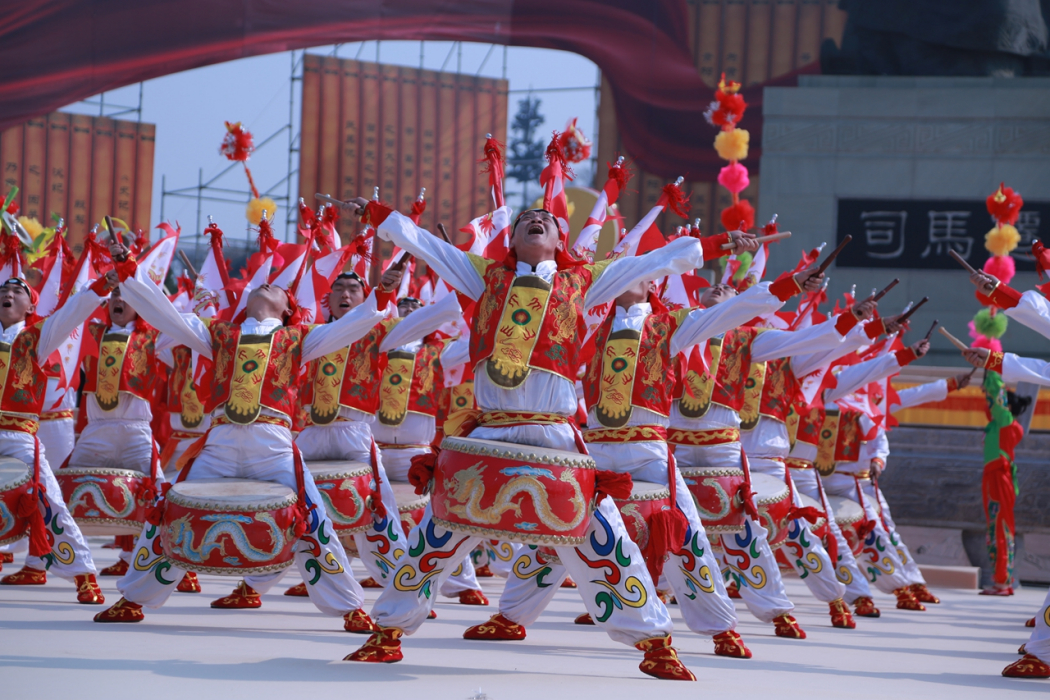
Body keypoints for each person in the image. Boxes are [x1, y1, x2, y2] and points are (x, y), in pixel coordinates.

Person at [341, 199, 743, 679]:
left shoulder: (584, 281)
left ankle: (654, 641)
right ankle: (388, 631)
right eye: (526, 218)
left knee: (602, 537)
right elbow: (423, 242)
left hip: (554, 432)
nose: (537, 219)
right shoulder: (485, 276)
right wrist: (377, 213)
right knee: (437, 531)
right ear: (511, 239)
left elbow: (655, 260)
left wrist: (718, 243)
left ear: (560, 239)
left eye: (548, 219)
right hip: (490, 430)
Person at [92, 241, 385, 628]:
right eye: (261, 284)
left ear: (286, 310)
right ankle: (133, 598)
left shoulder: (298, 338)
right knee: (171, 513)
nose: (265, 286)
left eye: (277, 287)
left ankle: (350, 607)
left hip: (273, 445)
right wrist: (129, 269)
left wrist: (383, 292)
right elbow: (165, 313)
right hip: (220, 446)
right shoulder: (218, 333)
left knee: (313, 521)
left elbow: (355, 324)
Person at [0, 274, 116, 603]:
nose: (8, 294)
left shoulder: (36, 336)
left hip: (19, 436)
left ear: (30, 306)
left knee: (52, 503)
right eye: (3, 290)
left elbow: (72, 311)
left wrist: (103, 284)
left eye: (17, 291)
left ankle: (84, 575)